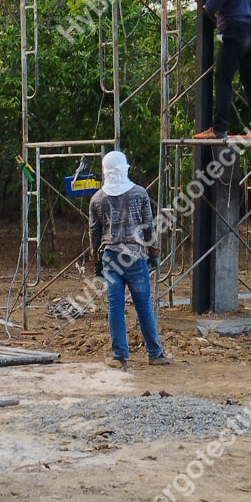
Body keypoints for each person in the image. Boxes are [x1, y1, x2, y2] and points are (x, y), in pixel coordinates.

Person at [88, 150, 171, 368]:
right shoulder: (140, 193)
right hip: (135, 255)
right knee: (144, 305)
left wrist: (96, 259)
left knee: (115, 305)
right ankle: (155, 353)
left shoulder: (97, 199)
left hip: (110, 256)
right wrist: (153, 252)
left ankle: (119, 356)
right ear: (124, 167)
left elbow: (94, 232)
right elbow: (148, 227)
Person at [194, 0, 251, 140]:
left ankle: (219, 128)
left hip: (234, 33)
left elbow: (209, 6)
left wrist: (217, 23)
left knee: (224, 78)